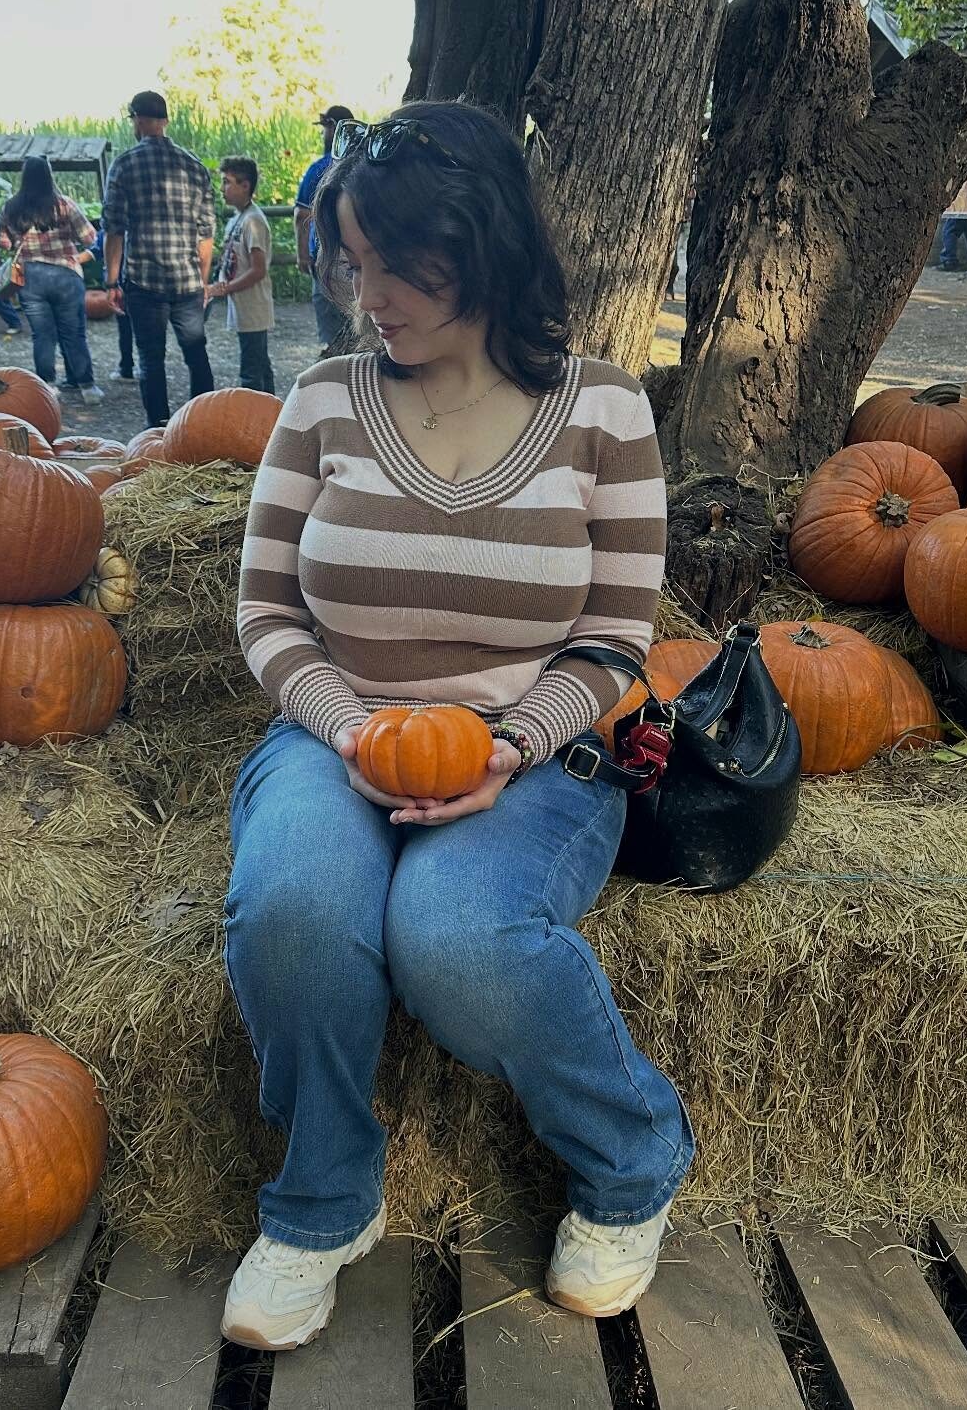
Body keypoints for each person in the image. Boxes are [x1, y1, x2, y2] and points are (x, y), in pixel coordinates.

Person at [220, 101, 693, 1354]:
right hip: (334, 734)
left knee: (456, 938)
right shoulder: (322, 399)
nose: (365, 295)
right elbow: (266, 611)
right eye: (351, 263)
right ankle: (324, 1203)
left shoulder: (605, 413)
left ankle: (633, 1160)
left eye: (398, 264)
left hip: (532, 753)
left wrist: (510, 746)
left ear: (482, 246)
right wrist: (349, 731)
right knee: (295, 911)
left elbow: (615, 639)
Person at [101, 90, 216, 427]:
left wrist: (111, 281)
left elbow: (114, 230)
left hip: (144, 281)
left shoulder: (124, 165)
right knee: (196, 354)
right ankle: (204, 424)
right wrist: (203, 281)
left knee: (151, 360)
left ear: (137, 120)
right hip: (187, 281)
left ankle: (158, 430)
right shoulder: (194, 166)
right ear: (164, 121)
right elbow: (206, 233)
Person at [0, 156, 103, 404]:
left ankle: (46, 386)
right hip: (66, 273)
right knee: (74, 333)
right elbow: (90, 238)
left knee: (42, 335)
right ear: (49, 175)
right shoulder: (64, 204)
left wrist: (18, 242)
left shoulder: (10, 207)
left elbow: (0, 241)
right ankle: (87, 387)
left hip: (31, 277)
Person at [205, 155, 275, 395]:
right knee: (259, 363)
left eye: (227, 182)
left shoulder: (254, 220)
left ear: (245, 186)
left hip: (254, 307)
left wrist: (226, 288)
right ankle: (272, 410)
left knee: (251, 372)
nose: (222, 188)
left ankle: (254, 413)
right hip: (243, 306)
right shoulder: (237, 219)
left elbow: (258, 269)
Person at [295, 104, 354, 352]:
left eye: (324, 128)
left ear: (332, 127)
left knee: (333, 334)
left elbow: (302, 215)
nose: (323, 134)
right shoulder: (363, 164)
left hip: (327, 257)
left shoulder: (319, 168)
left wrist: (302, 255)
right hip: (359, 260)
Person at [86, 217, 135, 382]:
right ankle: (149, 371)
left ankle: (126, 368)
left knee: (125, 327)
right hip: (147, 282)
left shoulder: (112, 228)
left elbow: (95, 250)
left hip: (120, 284)